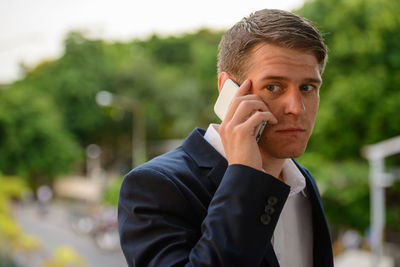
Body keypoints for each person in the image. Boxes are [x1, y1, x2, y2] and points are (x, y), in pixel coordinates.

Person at [118, 8, 334, 267]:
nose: (297, 108)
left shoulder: (303, 184)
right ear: (228, 90)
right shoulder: (154, 186)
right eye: (274, 87)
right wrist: (244, 175)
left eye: (307, 87)